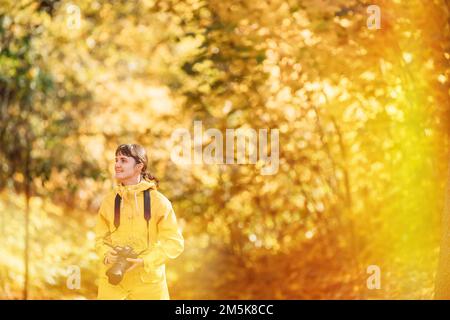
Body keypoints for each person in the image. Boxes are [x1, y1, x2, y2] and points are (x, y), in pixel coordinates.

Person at [95, 143, 184, 299]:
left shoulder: (159, 202)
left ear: (139, 166)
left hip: (149, 286)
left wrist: (145, 260)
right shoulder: (108, 202)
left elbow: (174, 243)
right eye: (116, 160)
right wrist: (106, 254)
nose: (117, 164)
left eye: (123, 160)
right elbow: (99, 240)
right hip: (112, 283)